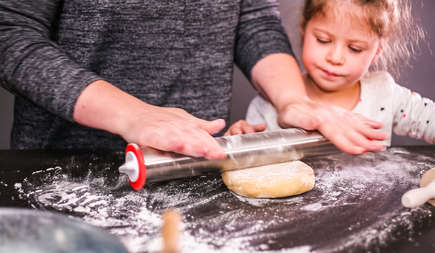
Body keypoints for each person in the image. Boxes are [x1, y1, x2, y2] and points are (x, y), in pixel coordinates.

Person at [0, 1, 385, 159]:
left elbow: (254, 19)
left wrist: (293, 100)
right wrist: (132, 115)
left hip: (198, 161)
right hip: (64, 167)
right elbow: (11, 32)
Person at [226, 0, 435, 146]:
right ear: (304, 30)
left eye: (355, 48)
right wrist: (242, 140)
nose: (335, 57)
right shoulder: (270, 103)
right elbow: (253, 160)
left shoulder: (385, 95)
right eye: (323, 40)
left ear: (376, 52)